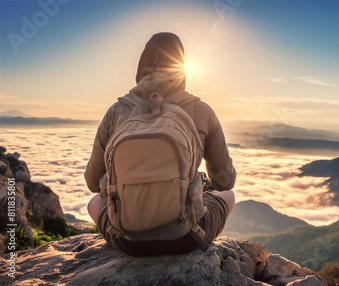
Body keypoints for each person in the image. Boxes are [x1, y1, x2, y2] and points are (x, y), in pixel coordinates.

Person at [84, 32, 236, 256]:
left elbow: (92, 182)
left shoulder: (116, 111)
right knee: (229, 196)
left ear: (142, 65)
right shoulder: (202, 111)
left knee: (93, 203)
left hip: (126, 239)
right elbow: (226, 180)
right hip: (186, 237)